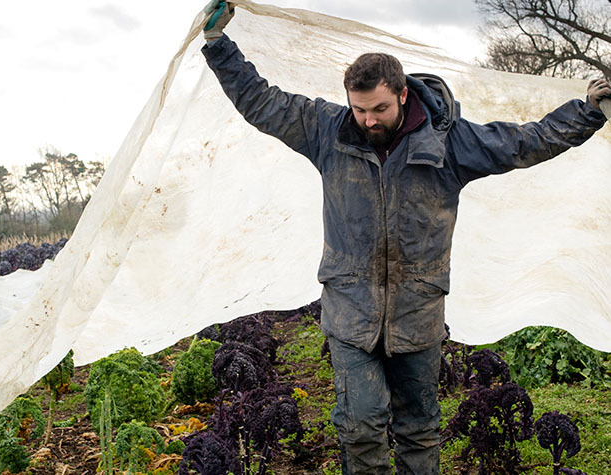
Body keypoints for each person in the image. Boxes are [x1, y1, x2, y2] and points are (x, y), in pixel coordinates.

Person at [200, 2, 610, 474]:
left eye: (379, 109)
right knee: (359, 425)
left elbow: (522, 142)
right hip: (350, 311)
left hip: (418, 313)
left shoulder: (448, 142)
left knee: (418, 428)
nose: (369, 120)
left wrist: (585, 113)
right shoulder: (326, 131)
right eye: (359, 110)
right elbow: (262, 102)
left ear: (401, 94)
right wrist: (218, 46)